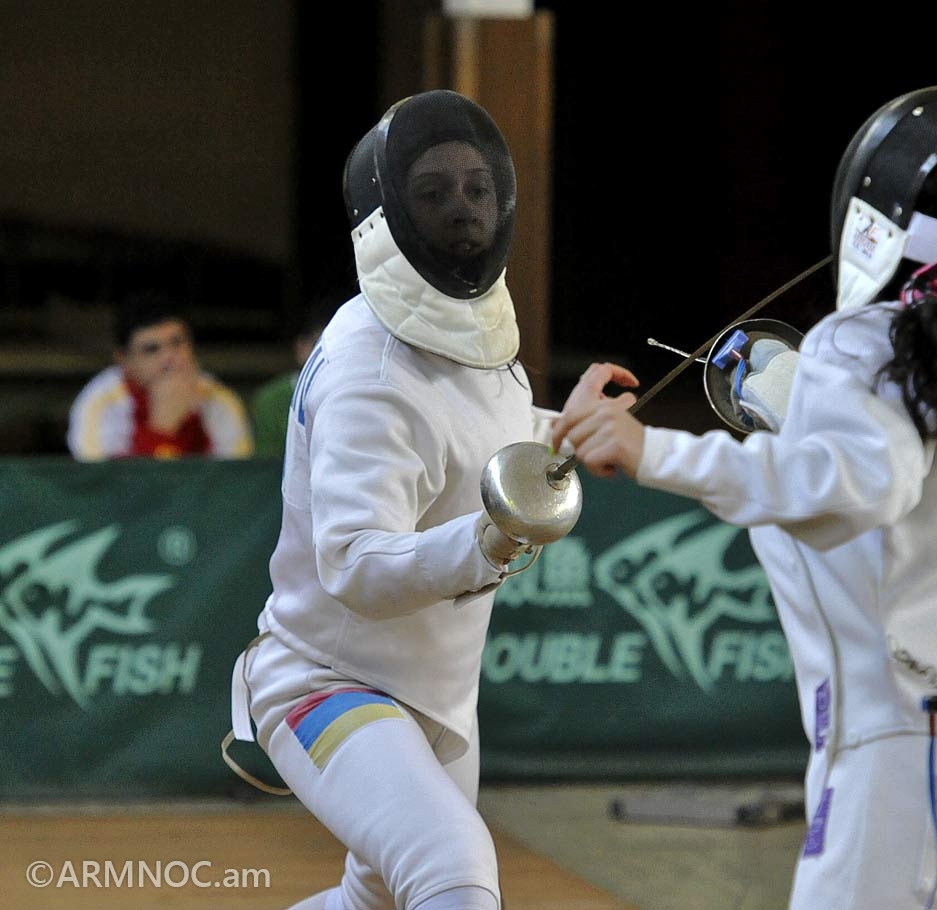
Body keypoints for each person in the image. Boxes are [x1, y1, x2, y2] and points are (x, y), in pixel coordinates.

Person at [552, 85, 937, 910]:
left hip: (914, 775)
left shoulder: (863, 346)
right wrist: (797, 397)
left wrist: (650, 449)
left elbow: (861, 483)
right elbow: (895, 451)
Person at [225, 90, 635, 910]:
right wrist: (490, 540)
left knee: (373, 903)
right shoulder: (369, 374)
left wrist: (565, 429)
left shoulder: (475, 334)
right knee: (454, 870)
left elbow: (477, 438)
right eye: (432, 192)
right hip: (326, 683)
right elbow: (354, 565)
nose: (463, 209)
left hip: (440, 701)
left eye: (477, 188)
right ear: (386, 216)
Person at [67, 290, 253, 460]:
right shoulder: (100, 402)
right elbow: (102, 482)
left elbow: (234, 480)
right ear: (124, 360)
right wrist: (162, 429)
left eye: (177, 343)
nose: (168, 358)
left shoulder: (218, 398)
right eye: (151, 349)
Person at [250, 301, 335, 458]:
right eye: (319, 345)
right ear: (301, 348)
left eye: (337, 347)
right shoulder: (270, 400)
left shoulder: (356, 393)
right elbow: (265, 464)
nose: (329, 355)